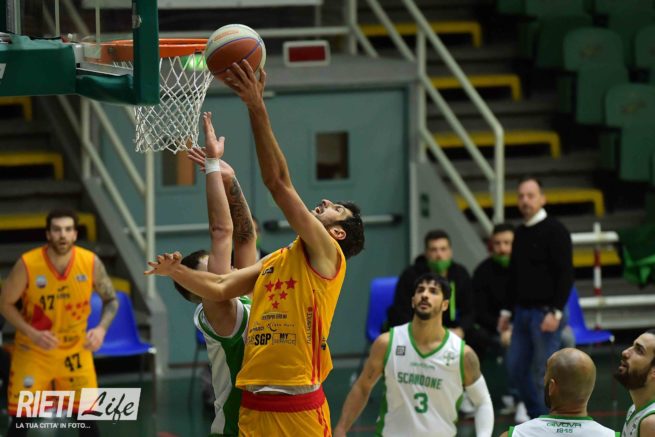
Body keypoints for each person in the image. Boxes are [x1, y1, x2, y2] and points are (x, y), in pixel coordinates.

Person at [146, 61, 365, 436]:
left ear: (338, 234)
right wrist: (175, 271)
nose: (327, 201)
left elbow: (278, 183)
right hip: (253, 406)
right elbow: (220, 286)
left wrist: (256, 106)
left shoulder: (329, 256)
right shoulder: (278, 260)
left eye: (337, 209)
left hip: (299, 406)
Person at [173, 112, 258, 436]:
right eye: (216, 270)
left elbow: (245, 238)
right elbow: (223, 231)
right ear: (201, 293)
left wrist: (230, 179)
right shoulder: (219, 313)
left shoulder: (242, 292)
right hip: (238, 428)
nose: (230, 268)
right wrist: (211, 166)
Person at [0, 209, 119, 436]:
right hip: (34, 350)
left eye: (67, 229)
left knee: (87, 421)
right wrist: (31, 332)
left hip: (75, 350)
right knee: (21, 421)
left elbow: (111, 300)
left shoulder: (90, 262)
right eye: (56, 230)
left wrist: (101, 329)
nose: (62, 235)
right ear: (48, 234)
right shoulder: (28, 264)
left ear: (75, 234)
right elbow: (4, 304)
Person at [333, 272, 494, 437]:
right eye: (420, 290)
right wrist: (341, 428)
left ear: (445, 305)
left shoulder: (462, 354)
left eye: (433, 291)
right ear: (412, 301)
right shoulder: (387, 343)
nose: (425, 295)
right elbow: (362, 388)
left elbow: (483, 402)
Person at [498, 176, 574, 419]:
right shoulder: (520, 232)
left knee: (542, 373)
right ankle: (537, 417)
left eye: (530, 195)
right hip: (521, 312)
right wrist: (506, 312)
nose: (525, 200)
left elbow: (565, 274)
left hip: (545, 313)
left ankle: (546, 424)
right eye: (521, 196)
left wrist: (556, 312)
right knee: (516, 369)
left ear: (542, 198)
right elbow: (514, 276)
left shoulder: (556, 230)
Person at [499, 348, 618, 437]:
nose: (543, 379)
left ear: (552, 387)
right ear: (590, 387)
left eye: (545, 374)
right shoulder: (611, 435)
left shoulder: (516, 434)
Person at [387, 230, 474, 344]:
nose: (439, 255)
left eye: (443, 249)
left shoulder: (460, 274)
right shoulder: (410, 275)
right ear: (426, 253)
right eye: (434, 250)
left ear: (450, 251)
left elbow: (470, 309)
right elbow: (401, 311)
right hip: (417, 329)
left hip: (452, 329)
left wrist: (461, 330)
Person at [472, 222, 514, 360]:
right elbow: (479, 311)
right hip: (492, 328)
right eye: (497, 243)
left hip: (524, 326)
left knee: (566, 338)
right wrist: (502, 328)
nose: (502, 249)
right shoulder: (482, 272)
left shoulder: (527, 268)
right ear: (491, 245)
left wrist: (514, 329)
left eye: (507, 243)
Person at [614, 329, 655, 437]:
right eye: (632, 346)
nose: (625, 352)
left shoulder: (651, 423)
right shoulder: (634, 409)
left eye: (639, 350)